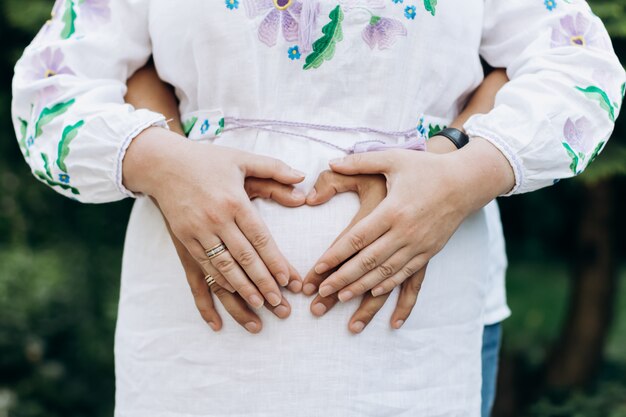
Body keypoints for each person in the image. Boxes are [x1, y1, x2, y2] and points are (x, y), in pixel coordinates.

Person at [11, 0, 623, 415]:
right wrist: (160, 161)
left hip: (417, 333)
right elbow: (52, 84)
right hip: (196, 336)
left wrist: (460, 170)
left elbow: (576, 62)